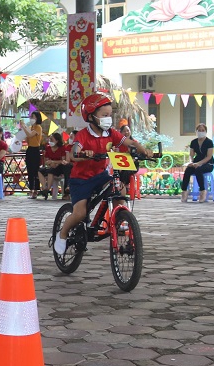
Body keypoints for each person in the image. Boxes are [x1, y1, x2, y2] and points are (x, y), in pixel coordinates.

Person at [54, 94, 152, 255]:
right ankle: (63, 233)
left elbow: (130, 142)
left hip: (100, 175)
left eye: (109, 115)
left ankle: (123, 218)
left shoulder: (111, 133)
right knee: (80, 213)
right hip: (81, 180)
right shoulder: (83, 135)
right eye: (104, 116)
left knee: (119, 188)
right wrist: (84, 153)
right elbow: (73, 154)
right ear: (91, 117)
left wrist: (143, 150)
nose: (108, 119)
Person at [181, 123, 214, 203]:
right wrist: (191, 162)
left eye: (203, 130)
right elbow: (191, 155)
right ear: (196, 131)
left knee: (198, 170)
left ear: (205, 131)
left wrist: (199, 163)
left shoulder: (209, 142)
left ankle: (203, 191)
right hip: (196, 162)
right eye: (199, 130)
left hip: (208, 163)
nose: (201, 132)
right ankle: (184, 191)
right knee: (188, 170)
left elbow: (209, 156)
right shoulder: (193, 142)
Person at [17, 112, 44, 199]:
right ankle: (31, 189)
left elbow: (30, 134)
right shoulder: (31, 127)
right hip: (29, 149)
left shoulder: (38, 127)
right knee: (30, 171)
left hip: (35, 149)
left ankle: (36, 190)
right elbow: (26, 137)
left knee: (36, 171)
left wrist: (24, 126)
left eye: (33, 116)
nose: (31, 118)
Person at [39, 132, 69, 199]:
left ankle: (48, 189)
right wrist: (50, 163)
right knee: (40, 171)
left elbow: (63, 160)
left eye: (52, 140)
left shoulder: (62, 148)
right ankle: (44, 188)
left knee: (51, 171)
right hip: (50, 166)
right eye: (49, 140)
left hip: (59, 167)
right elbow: (46, 160)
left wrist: (54, 162)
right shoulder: (48, 148)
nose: (50, 141)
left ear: (57, 141)